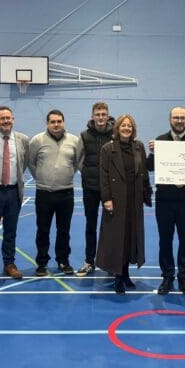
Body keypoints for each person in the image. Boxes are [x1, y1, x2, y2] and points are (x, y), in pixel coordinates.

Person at [96, 115, 152, 294]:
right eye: (123, 125)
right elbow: (103, 175)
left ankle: (126, 273)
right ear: (117, 128)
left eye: (129, 126)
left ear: (133, 129)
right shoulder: (108, 148)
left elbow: (144, 171)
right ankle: (118, 276)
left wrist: (147, 193)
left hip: (134, 199)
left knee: (130, 237)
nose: (126, 128)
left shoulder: (139, 147)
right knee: (116, 238)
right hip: (116, 199)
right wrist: (106, 199)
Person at [148, 106, 185, 296]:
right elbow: (149, 167)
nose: (179, 120)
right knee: (165, 239)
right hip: (165, 200)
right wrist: (153, 153)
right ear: (170, 119)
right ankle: (167, 276)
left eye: (182, 117)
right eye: (176, 117)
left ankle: (184, 278)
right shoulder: (160, 141)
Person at [29, 110, 83, 276]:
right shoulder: (37, 140)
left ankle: (63, 260)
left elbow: (77, 163)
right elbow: (31, 162)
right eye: (53, 122)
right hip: (43, 193)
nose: (56, 124)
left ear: (63, 122)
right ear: (47, 123)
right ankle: (42, 263)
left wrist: (66, 175)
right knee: (42, 230)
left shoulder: (74, 140)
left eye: (59, 121)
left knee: (64, 230)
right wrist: (41, 178)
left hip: (66, 193)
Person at [0, 106, 29, 282]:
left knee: (10, 231)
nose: (6, 121)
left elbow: (24, 163)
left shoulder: (23, 140)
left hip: (14, 192)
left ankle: (9, 264)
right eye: (2, 118)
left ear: (13, 119)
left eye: (8, 118)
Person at [76, 102, 115, 277]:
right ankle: (89, 261)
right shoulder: (84, 135)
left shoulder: (115, 134)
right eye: (97, 114)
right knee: (90, 226)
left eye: (103, 114)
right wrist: (87, 173)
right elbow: (79, 159)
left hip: (111, 189)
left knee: (110, 227)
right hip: (90, 188)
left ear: (107, 116)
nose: (100, 117)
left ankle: (110, 262)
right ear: (92, 116)